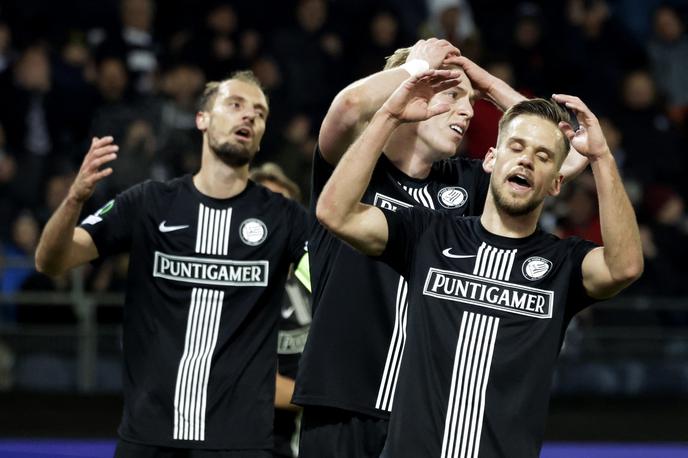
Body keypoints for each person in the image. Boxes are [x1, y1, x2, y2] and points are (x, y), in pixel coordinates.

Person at [315, 69, 643, 457]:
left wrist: (601, 157)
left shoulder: (561, 263)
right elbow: (335, 213)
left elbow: (624, 267)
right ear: (490, 158)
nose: (526, 161)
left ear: (557, 182)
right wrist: (390, 114)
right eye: (516, 147)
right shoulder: (429, 235)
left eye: (542, 157)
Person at [34, 70, 309, 457]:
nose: (249, 116)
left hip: (240, 443)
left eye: (260, 113)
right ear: (202, 119)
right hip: (149, 437)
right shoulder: (149, 203)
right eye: (235, 105)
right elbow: (50, 261)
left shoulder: (286, 219)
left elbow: (340, 281)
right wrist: (74, 199)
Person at [250, 163, 312, 458]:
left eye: (285, 207)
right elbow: (262, 386)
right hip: (259, 441)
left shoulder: (313, 278)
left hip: (310, 437)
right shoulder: (242, 289)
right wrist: (331, 395)